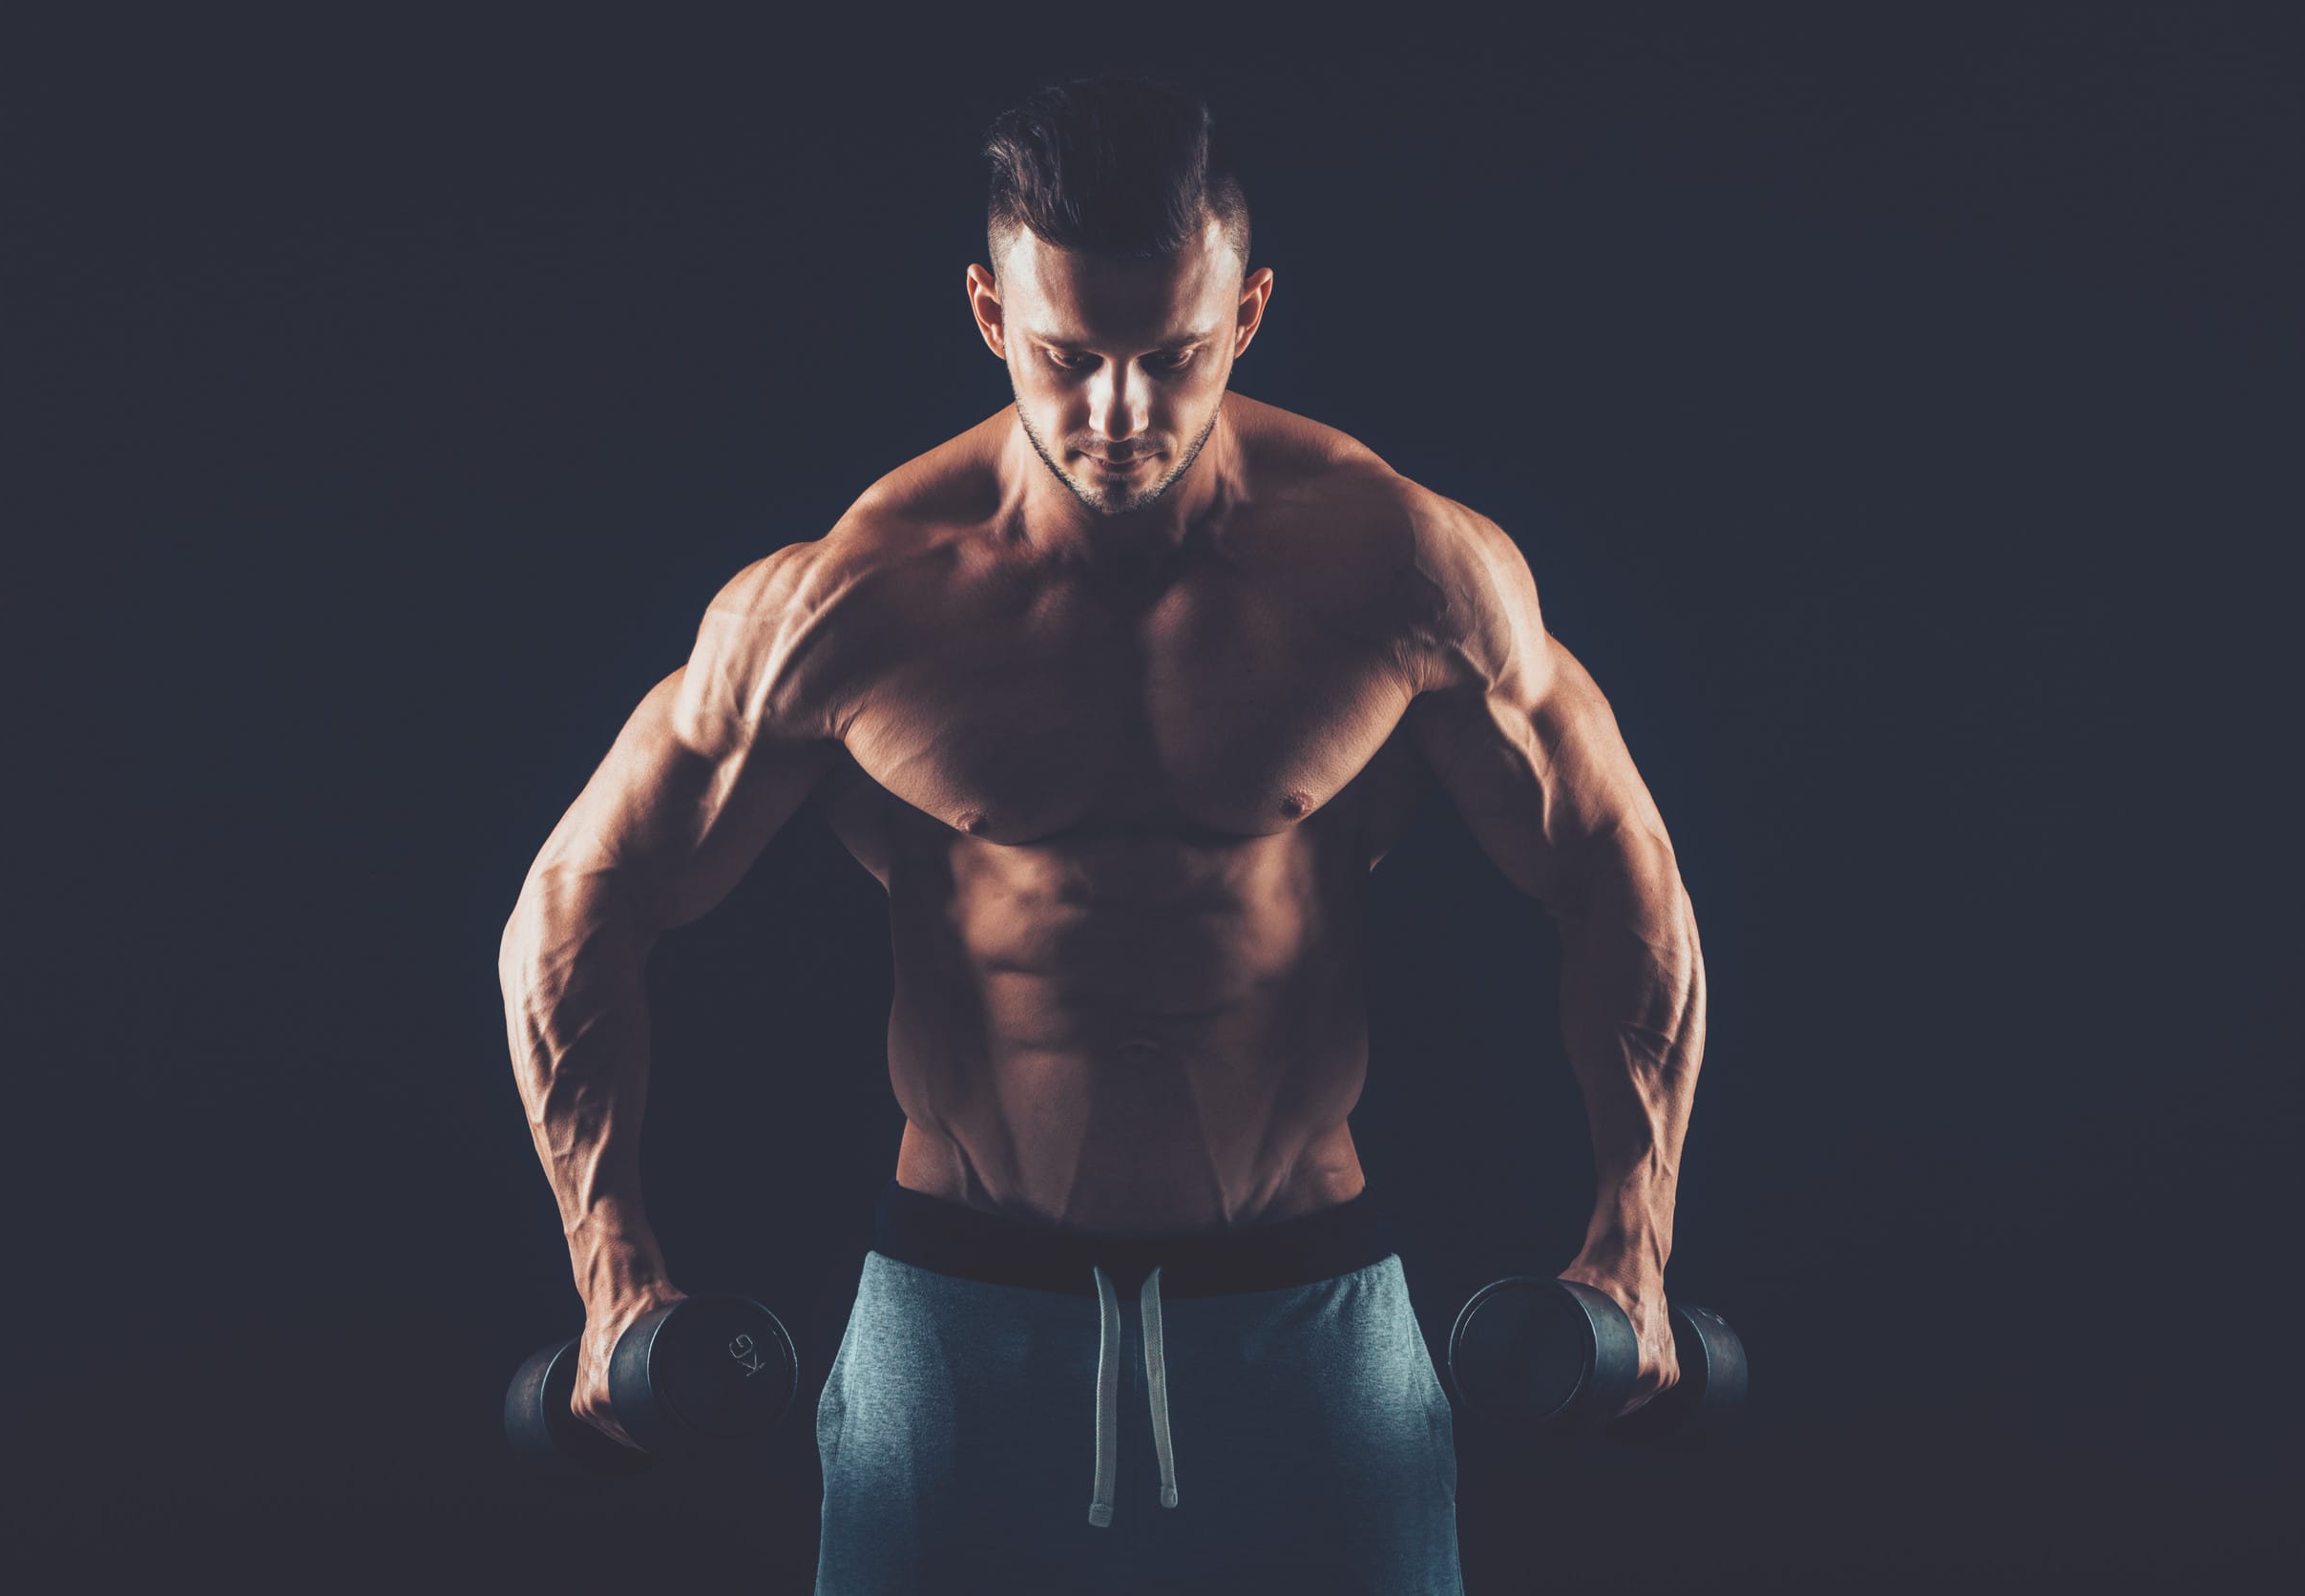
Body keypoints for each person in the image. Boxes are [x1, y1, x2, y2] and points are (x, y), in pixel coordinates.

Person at [498, 73, 1706, 1596]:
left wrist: (1633, 1242)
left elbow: (1619, 871)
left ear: (1249, 312)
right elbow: (574, 909)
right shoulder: (854, 604)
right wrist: (614, 1280)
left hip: (1308, 1304)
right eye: (1070, 357)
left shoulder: (1399, 568)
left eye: (1175, 356)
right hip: (958, 1315)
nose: (1122, 412)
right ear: (991, 315)